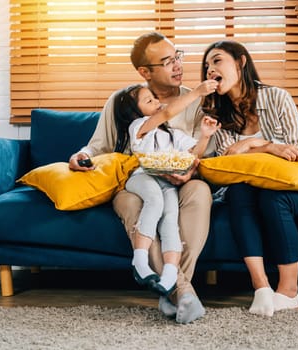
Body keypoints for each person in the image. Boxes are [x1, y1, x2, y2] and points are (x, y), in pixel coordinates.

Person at [69, 32, 214, 324]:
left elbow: (202, 151)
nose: (177, 66)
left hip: (181, 179)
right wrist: (78, 156)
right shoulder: (123, 101)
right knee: (140, 203)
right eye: (167, 62)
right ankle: (182, 292)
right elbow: (98, 146)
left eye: (177, 57)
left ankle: (171, 288)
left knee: (199, 192)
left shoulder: (196, 102)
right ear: (144, 72)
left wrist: (188, 172)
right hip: (134, 180)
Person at [200, 40, 298, 317]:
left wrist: (252, 145)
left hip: (289, 185)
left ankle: (289, 291)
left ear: (241, 63)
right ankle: (261, 286)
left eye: (217, 61)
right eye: (207, 66)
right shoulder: (216, 114)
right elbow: (228, 162)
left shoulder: (278, 97)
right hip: (244, 186)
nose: (210, 70)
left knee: (271, 197)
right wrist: (266, 147)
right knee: (239, 192)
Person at [113, 83, 219, 296]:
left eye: (155, 99)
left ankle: (170, 275)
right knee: (155, 200)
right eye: (149, 101)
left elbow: (192, 155)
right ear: (134, 111)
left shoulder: (171, 134)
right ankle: (140, 261)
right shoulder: (138, 127)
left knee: (171, 217)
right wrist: (198, 92)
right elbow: (169, 111)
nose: (158, 103)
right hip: (142, 177)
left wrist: (205, 136)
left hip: (166, 183)